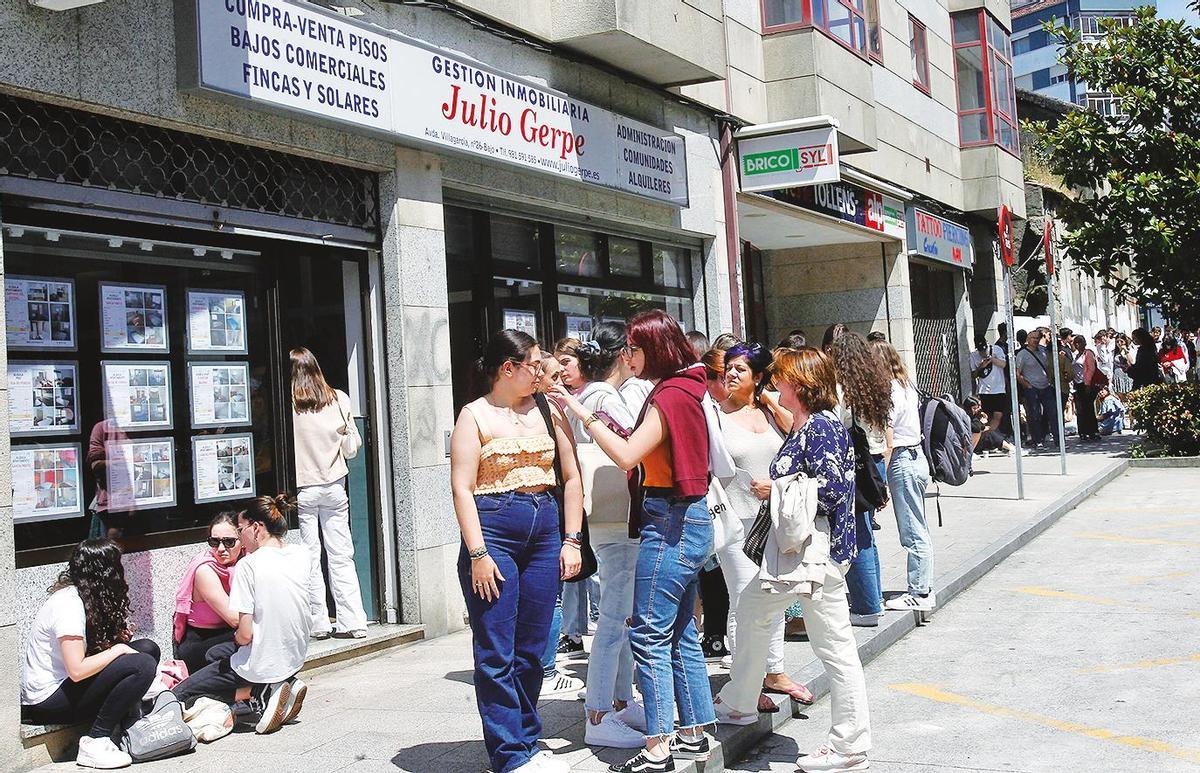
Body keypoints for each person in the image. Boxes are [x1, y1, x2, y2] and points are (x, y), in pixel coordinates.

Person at [555, 309, 715, 773]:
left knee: (647, 631)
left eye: (634, 347)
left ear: (655, 348)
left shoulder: (670, 395)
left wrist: (582, 410)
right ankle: (693, 732)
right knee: (680, 632)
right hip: (687, 516)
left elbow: (626, 453)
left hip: (670, 520)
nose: (627, 356)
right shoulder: (690, 388)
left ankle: (659, 743)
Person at [711, 347, 871, 773]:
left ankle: (849, 743)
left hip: (815, 558)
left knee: (833, 647)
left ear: (798, 384)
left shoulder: (820, 428)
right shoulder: (810, 424)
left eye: (779, 377)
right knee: (754, 613)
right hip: (803, 557)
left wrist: (776, 489)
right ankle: (740, 700)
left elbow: (833, 490)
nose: (772, 384)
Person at [450, 330, 584, 773]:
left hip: (545, 530)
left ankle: (527, 737)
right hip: (495, 531)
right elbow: (462, 488)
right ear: (508, 368)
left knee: (532, 649)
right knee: (496, 651)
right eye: (533, 365)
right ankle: (509, 755)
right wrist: (477, 553)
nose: (541, 373)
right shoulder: (474, 415)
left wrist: (571, 539)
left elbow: (572, 476)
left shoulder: (548, 408)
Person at [714, 342, 815, 707]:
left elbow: (798, 434)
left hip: (773, 518)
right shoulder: (715, 414)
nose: (731, 373)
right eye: (729, 367)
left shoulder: (771, 412)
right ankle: (747, 680)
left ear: (758, 377)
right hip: (735, 519)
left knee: (772, 594)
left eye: (740, 369)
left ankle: (773, 670)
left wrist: (770, 400)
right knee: (743, 599)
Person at [569, 324, 648, 749]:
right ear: (623, 354)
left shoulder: (588, 396)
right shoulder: (603, 398)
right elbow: (634, 445)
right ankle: (598, 712)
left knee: (618, 616)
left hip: (605, 513)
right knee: (615, 620)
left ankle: (618, 701)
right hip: (615, 514)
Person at [171, 495, 310, 734]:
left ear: (256, 529)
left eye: (237, 533)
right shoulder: (301, 554)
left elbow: (244, 632)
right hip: (295, 655)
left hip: (258, 653)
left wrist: (241, 641)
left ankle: (261, 691)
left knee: (180, 693)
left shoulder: (249, 565)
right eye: (214, 542)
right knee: (216, 653)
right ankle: (274, 686)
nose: (223, 548)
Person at [21, 539, 161, 769]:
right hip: (47, 702)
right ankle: (96, 741)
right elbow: (77, 670)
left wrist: (117, 642)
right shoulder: (68, 605)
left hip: (66, 688)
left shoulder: (83, 596)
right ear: (106, 573)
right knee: (141, 664)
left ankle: (127, 722)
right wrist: (116, 650)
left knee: (147, 648)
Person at [290, 347, 368, 640]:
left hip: (304, 488)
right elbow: (350, 446)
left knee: (310, 557)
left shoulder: (291, 406)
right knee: (341, 555)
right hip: (335, 484)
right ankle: (353, 621)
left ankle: (318, 623)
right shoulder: (339, 399)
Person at [827, 331, 893, 628]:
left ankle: (866, 606)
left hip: (855, 463)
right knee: (867, 534)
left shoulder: (843, 388)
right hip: (873, 459)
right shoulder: (873, 382)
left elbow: (836, 423)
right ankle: (873, 598)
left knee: (856, 535)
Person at [874, 340, 936, 613]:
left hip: (902, 459)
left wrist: (883, 478)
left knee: (912, 530)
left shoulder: (888, 389)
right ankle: (922, 587)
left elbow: (888, 437)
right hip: (917, 456)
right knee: (918, 525)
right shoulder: (907, 386)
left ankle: (920, 592)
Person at [174, 512, 243, 674]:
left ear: (243, 541)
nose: (220, 549)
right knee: (255, 636)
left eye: (229, 542)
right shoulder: (205, 570)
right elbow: (234, 619)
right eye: (214, 542)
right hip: (202, 644)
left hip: (226, 635)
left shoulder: (243, 563)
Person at [1015, 330, 1057, 449]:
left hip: (1046, 386)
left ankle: (1058, 440)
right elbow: (1017, 373)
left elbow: (1048, 366)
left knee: (1053, 412)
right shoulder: (1022, 354)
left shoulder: (1043, 351)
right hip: (1032, 388)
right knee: (1035, 415)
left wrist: (1050, 380)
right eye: (1033, 338)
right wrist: (1027, 385)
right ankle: (1037, 440)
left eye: (1038, 338)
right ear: (1028, 339)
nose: (1036, 340)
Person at [969, 333, 1007, 434]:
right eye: (981, 350)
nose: (983, 352)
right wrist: (981, 366)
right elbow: (973, 375)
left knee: (998, 415)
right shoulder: (973, 355)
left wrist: (992, 359)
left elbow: (1003, 364)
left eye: (984, 349)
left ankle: (990, 435)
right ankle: (989, 436)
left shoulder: (997, 349)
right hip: (984, 390)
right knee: (986, 416)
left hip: (998, 388)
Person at [1071, 335, 1101, 442]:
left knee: (1088, 408)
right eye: (1076, 343)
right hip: (1078, 384)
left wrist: (1087, 384)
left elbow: (1091, 369)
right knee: (1080, 409)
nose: (1078, 345)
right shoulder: (1076, 355)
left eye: (1080, 342)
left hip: (1087, 384)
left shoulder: (1088, 354)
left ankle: (1093, 431)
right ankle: (1083, 431)